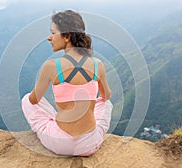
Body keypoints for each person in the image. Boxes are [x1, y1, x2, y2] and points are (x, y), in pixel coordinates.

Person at [21, 10, 113, 156]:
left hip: (60, 144)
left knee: (26, 99)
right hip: (89, 145)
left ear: (67, 36)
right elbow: (106, 95)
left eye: (53, 33)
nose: (49, 38)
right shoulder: (97, 64)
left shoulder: (51, 66)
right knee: (105, 103)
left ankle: (53, 124)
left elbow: (34, 100)